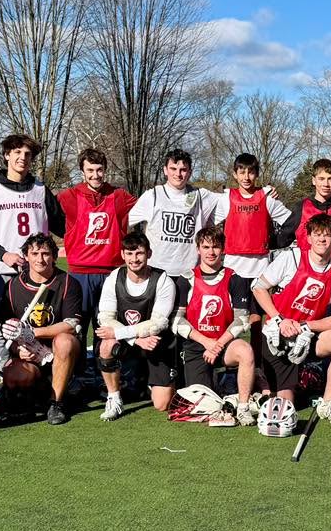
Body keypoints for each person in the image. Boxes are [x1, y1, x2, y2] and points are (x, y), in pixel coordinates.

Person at [251, 213, 331, 425]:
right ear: (308, 238)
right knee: (285, 406)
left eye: (327, 235)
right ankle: (263, 388)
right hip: (276, 337)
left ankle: (327, 404)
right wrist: (280, 320)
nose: (322, 239)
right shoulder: (291, 258)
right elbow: (258, 287)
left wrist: (305, 325)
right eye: (317, 234)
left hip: (306, 336)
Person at [211, 152, 291, 377]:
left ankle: (257, 370)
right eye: (242, 172)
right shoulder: (226, 198)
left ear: (257, 174)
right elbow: (207, 221)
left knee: (257, 323)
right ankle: (226, 368)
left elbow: (291, 221)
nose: (246, 177)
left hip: (260, 271)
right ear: (235, 174)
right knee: (230, 321)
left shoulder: (267, 197)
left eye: (251, 172)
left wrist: (275, 241)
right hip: (233, 269)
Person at [0, 134, 65, 339]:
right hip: (3, 272)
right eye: (17, 152)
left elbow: (63, 226)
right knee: (4, 333)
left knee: (39, 329)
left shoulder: (40, 189)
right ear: (6, 155)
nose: (22, 157)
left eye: (27, 154)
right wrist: (3, 254)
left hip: (39, 272)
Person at [57, 146, 138, 364]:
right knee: (77, 328)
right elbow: (45, 213)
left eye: (99, 170)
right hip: (79, 274)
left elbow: (149, 210)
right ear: (82, 172)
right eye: (90, 170)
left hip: (111, 273)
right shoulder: (69, 196)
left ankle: (105, 373)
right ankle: (77, 373)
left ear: (105, 170)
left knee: (107, 328)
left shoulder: (118, 196)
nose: (95, 175)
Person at [171, 228, 259, 426]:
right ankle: (227, 386)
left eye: (216, 247)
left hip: (225, 343)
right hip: (196, 346)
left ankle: (243, 407)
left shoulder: (235, 279)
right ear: (198, 249)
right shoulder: (186, 279)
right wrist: (206, 342)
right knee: (206, 405)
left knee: (245, 351)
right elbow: (177, 321)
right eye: (206, 247)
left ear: (223, 249)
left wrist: (217, 344)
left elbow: (241, 320)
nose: (211, 252)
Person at [0, 232, 84, 425]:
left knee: (64, 341)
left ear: (54, 256)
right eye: (34, 254)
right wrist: (18, 349)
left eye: (45, 254)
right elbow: (7, 331)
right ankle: (36, 394)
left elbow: (71, 325)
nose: (40, 259)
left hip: (61, 354)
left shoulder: (68, 283)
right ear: (26, 256)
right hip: (31, 356)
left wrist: (33, 333)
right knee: (13, 375)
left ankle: (56, 403)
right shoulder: (12, 287)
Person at [94, 231, 179, 421]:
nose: (134, 259)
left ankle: (151, 380)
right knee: (107, 345)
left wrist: (125, 333)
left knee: (162, 403)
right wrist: (134, 339)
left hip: (155, 342)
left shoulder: (163, 280)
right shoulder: (114, 278)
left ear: (149, 253)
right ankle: (114, 398)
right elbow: (105, 318)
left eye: (139, 253)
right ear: (122, 255)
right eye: (129, 253)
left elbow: (157, 323)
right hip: (130, 341)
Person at [127, 148, 221, 277]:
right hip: (156, 272)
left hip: (189, 274)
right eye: (173, 169)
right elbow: (124, 223)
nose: (178, 174)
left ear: (190, 172)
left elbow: (231, 202)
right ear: (165, 170)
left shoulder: (201, 196)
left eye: (183, 170)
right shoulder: (152, 196)